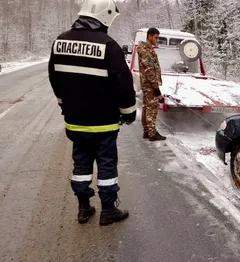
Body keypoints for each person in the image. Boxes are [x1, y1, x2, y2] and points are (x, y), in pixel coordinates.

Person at [48, 0, 135, 226]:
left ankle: (83, 208)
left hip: (75, 122)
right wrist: (128, 113)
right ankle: (108, 211)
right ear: (105, 16)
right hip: (103, 123)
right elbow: (123, 86)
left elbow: (55, 79)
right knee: (106, 165)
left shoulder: (60, 42)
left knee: (81, 164)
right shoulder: (109, 46)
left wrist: (64, 105)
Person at [137, 27, 166, 141]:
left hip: (148, 84)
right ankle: (152, 133)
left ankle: (147, 130)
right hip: (149, 84)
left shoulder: (147, 49)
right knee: (151, 109)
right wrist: (156, 88)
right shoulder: (146, 51)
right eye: (155, 37)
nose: (157, 40)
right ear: (149, 36)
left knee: (146, 106)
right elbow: (149, 70)